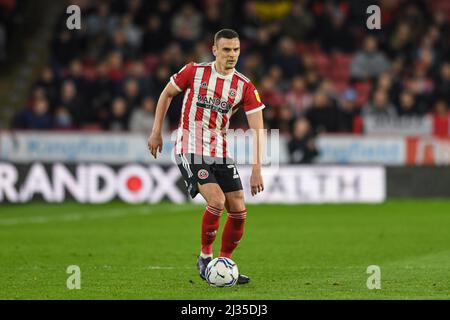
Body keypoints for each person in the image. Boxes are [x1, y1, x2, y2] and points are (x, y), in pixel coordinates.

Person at [148, 29, 265, 285]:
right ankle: (205, 257)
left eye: (236, 49)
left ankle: (223, 263)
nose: (232, 54)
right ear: (215, 50)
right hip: (189, 146)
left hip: (219, 150)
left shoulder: (244, 86)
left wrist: (257, 167)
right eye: (226, 49)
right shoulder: (194, 71)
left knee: (239, 209)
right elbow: (166, 94)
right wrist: (156, 131)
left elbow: (258, 130)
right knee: (217, 200)